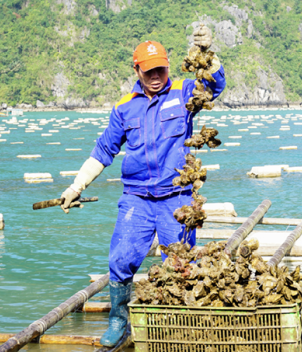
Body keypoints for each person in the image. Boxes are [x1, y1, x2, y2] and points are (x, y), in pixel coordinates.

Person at [60, 25, 225, 347]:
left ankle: (179, 326)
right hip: (137, 197)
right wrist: (75, 187)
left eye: (160, 69)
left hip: (176, 198)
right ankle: (119, 321)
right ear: (136, 69)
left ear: (167, 66)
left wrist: (209, 53)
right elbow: (103, 150)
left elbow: (214, 86)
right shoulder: (125, 106)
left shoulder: (183, 91)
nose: (155, 76)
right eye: (148, 70)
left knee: (180, 264)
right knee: (121, 259)